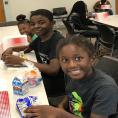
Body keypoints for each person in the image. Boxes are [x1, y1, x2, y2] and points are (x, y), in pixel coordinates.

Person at [24, 35, 118, 118]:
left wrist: (59, 114)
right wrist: (61, 106)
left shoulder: (106, 88)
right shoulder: (71, 74)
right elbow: (72, 93)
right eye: (65, 60)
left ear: (92, 59)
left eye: (78, 58)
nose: (71, 65)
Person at [2, 9, 65, 106]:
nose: (36, 26)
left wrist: (22, 61)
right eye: (32, 24)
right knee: (14, 81)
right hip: (42, 74)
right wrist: (12, 48)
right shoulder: (41, 37)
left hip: (55, 84)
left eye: (41, 22)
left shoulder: (57, 41)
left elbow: (53, 70)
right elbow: (27, 48)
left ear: (52, 23)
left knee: (20, 92)